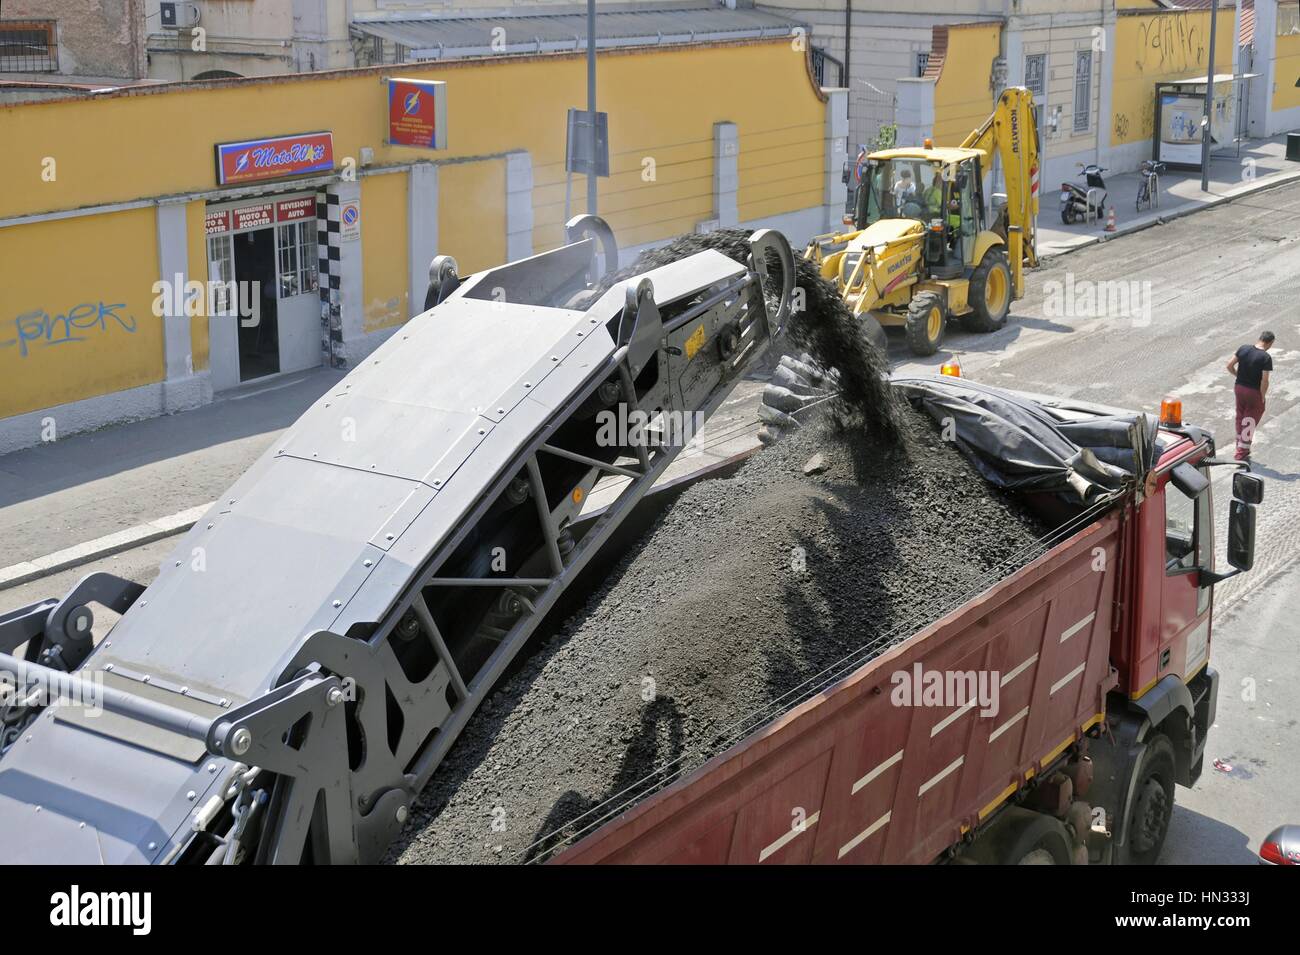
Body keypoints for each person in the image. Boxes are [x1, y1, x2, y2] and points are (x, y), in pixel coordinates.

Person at [1226, 331, 1275, 463]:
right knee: (1250, 420)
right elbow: (1264, 380)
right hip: (1253, 392)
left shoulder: (1244, 348)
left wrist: (1238, 376)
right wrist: (1262, 395)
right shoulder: (1265, 357)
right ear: (1270, 343)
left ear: (1260, 338)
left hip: (1239, 388)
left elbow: (1229, 365)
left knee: (1240, 416)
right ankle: (1241, 454)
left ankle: (1240, 445)